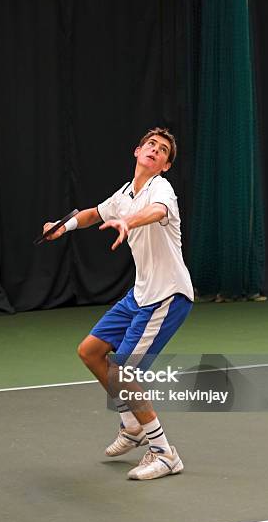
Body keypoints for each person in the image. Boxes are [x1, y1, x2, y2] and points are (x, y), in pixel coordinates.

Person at [43, 128, 194, 480]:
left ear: (166, 165)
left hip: (167, 296)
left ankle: (165, 453)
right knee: (91, 352)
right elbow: (94, 213)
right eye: (151, 145)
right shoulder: (125, 193)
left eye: (163, 150)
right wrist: (62, 227)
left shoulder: (161, 190)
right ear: (137, 151)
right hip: (140, 294)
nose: (155, 150)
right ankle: (132, 423)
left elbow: (155, 212)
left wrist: (127, 221)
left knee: (124, 374)